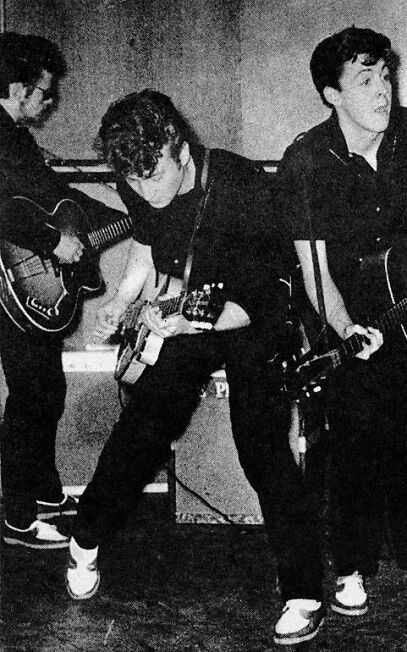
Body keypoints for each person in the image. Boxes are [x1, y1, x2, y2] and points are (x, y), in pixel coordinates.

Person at [63, 90, 325, 646]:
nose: (144, 194)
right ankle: (85, 537)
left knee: (261, 444)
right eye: (132, 184)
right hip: (189, 305)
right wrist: (124, 297)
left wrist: (189, 322)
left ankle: (303, 590)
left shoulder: (244, 188)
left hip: (252, 311)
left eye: (153, 177)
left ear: (180, 150)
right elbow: (145, 237)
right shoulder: (136, 176)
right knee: (144, 424)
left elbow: (260, 295)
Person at [275, 26, 407, 618]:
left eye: (385, 76)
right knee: (353, 442)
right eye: (365, 80)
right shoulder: (306, 160)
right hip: (344, 308)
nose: (382, 91)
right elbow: (313, 268)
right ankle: (353, 568)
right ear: (331, 93)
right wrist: (345, 330)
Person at [0, 33, 125, 549]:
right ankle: (19, 519)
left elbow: (53, 196)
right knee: (35, 396)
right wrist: (54, 240)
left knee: (43, 392)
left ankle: (44, 498)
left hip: (22, 285)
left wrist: (121, 217)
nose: (49, 102)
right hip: (13, 283)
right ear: (14, 87)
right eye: (43, 92)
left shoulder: (15, 139)